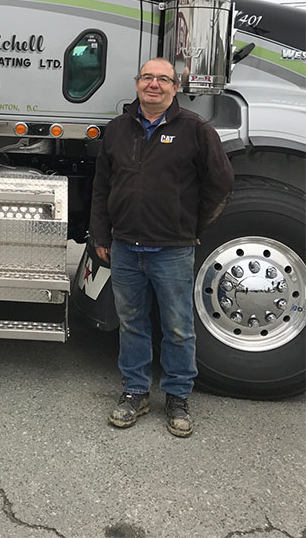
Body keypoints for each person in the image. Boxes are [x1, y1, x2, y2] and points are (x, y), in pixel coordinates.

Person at [90, 57, 233, 437]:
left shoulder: (196, 130)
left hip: (171, 248)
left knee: (178, 327)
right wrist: (101, 235)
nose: (154, 85)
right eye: (147, 78)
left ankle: (177, 396)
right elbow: (102, 188)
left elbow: (220, 184)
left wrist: (191, 226)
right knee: (132, 323)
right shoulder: (117, 129)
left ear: (175, 87)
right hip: (125, 247)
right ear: (137, 83)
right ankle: (135, 391)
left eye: (163, 79)